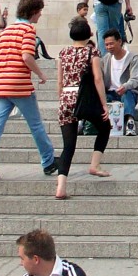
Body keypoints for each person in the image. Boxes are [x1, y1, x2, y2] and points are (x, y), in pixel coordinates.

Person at [0, 0, 56, 182]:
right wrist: (41, 74)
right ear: (34, 12)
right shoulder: (28, 30)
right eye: (40, 12)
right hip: (19, 84)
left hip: (1, 84)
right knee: (35, 124)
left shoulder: (4, 32)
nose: (40, 16)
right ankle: (48, 161)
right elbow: (27, 56)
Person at [54, 17, 111, 198]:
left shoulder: (63, 53)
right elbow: (98, 78)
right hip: (84, 98)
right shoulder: (91, 52)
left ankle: (61, 186)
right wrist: (104, 104)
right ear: (89, 34)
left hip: (66, 98)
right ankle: (95, 165)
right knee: (104, 127)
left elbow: (60, 81)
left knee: (68, 146)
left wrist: (61, 99)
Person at [101, 28, 138, 131]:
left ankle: (130, 122)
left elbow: (135, 79)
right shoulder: (106, 59)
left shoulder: (132, 57)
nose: (109, 47)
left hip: (126, 91)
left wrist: (125, 86)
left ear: (119, 41)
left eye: (111, 44)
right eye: (106, 45)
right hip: (110, 92)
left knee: (127, 94)